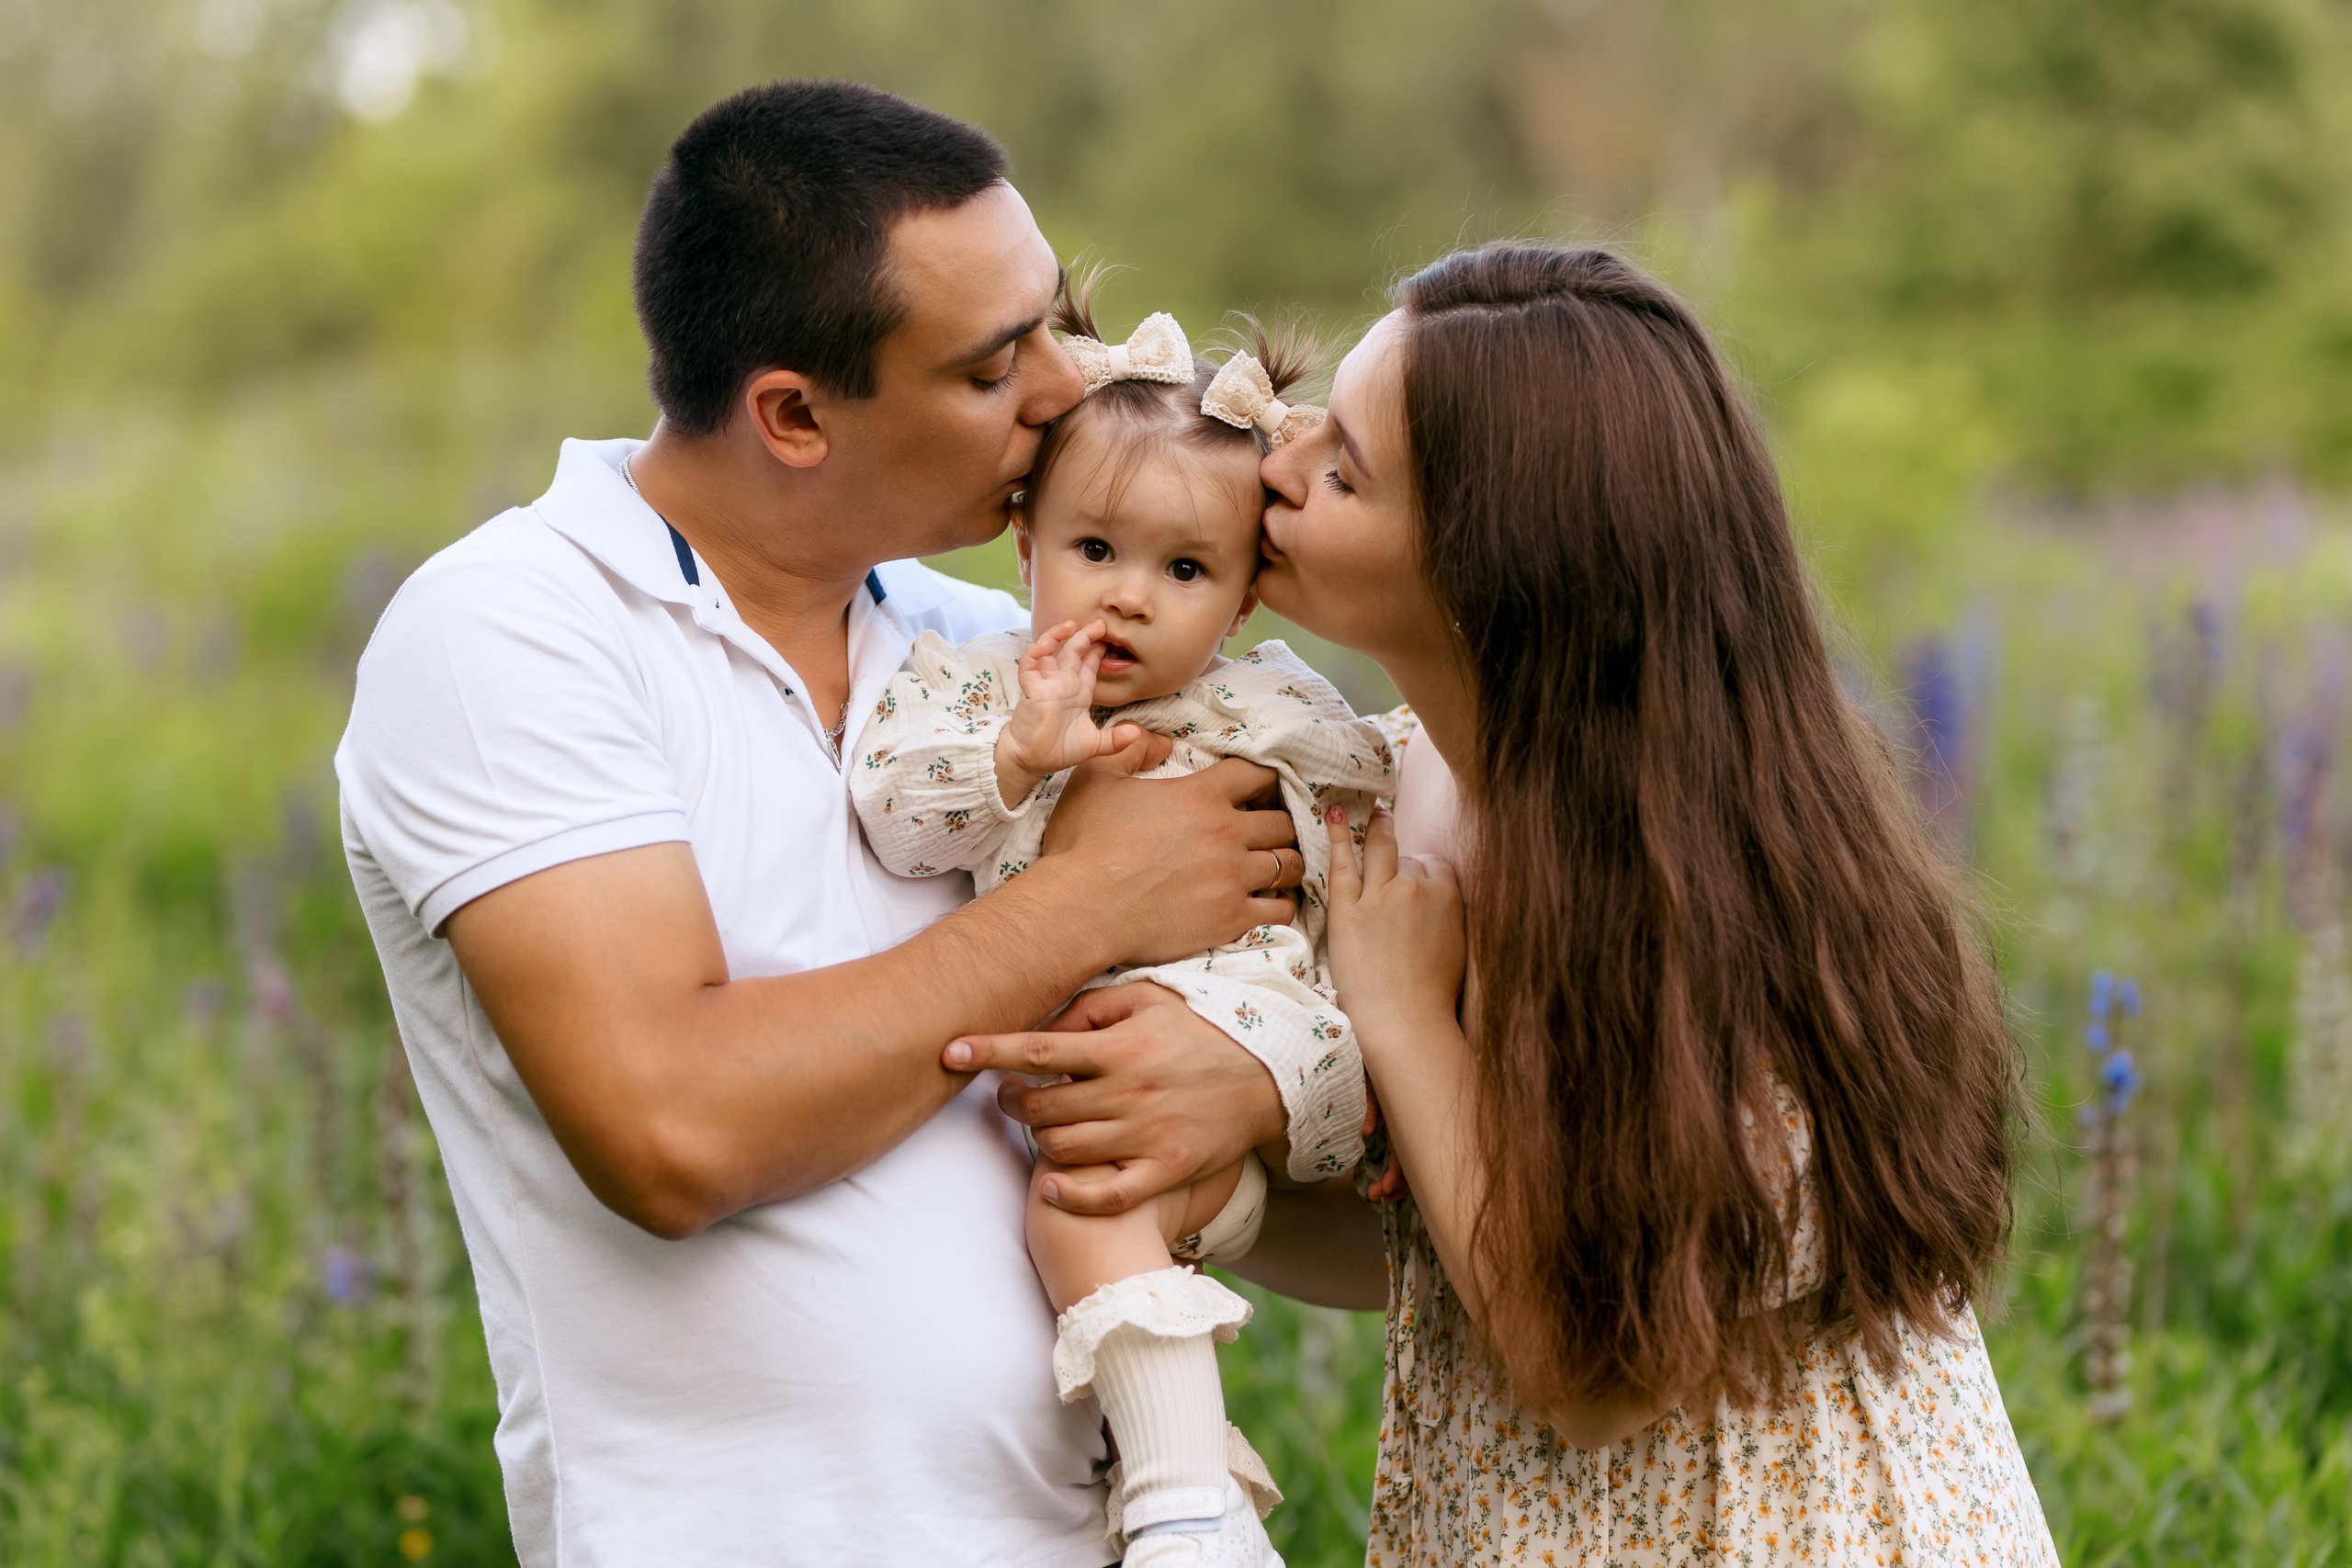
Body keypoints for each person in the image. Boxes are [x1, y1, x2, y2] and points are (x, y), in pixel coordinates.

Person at [956, 243, 2061, 1563]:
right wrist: (1210, 1174)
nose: (1279, 460)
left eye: (1345, 469)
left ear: (1496, 568)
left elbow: (1594, 1370)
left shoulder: (1697, 897)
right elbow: (1444, 1256)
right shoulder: (1393, 785)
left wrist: (1404, 1014)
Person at [334, 81, 1315, 1568]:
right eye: (998, 367)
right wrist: (1090, 900)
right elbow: (672, 1129)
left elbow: (1289, 1163)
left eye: (1055, 324)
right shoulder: (511, 633)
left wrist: (1234, 1092)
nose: (1069, 389)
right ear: (794, 413)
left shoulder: (993, 642)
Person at [850, 274, 1391, 1566]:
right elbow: (894, 817)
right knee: (1078, 1203)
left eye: (1186, 568)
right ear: (1024, 545)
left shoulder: (1267, 702)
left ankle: (1180, 1499)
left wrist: (1310, 820)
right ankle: (1188, 1509)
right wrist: (1016, 764)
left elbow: (1369, 795)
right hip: (1105, 1102)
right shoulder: (980, 689)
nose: (1130, 597)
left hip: (1269, 1045)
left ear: (1244, 600)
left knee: (1081, 1196)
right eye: (1096, 551)